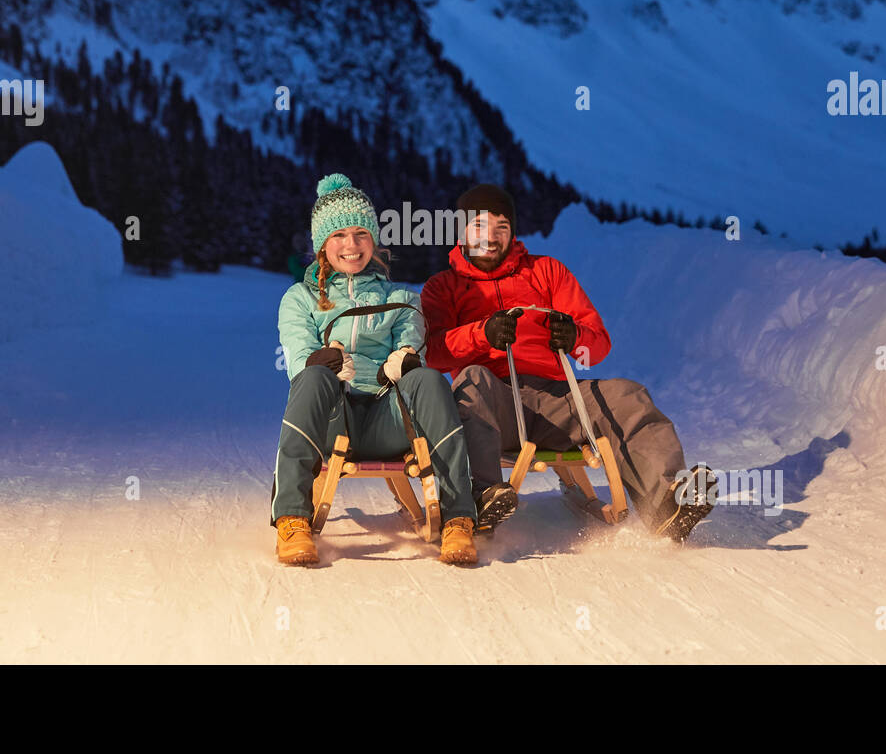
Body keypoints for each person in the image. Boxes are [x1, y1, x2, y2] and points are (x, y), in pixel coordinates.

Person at [421, 183, 716, 541]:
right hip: (495, 406)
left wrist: (575, 337)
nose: (491, 237)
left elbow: (598, 346)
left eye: (501, 227)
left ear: (513, 231)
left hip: (558, 399)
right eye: (479, 226)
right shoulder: (442, 287)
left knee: (626, 395)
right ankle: (483, 496)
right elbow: (433, 354)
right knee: (471, 380)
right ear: (461, 230)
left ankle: (666, 502)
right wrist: (482, 334)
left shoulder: (547, 272)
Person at [272, 173, 479, 565]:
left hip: (391, 420)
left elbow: (412, 341)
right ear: (322, 245)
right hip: (333, 420)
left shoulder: (402, 298)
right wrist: (324, 361)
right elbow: (299, 361)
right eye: (339, 236)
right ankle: (291, 519)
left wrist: (404, 360)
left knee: (430, 379)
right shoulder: (299, 299)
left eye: (361, 234)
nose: (351, 245)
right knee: (312, 377)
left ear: (374, 240)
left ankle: (458, 519)